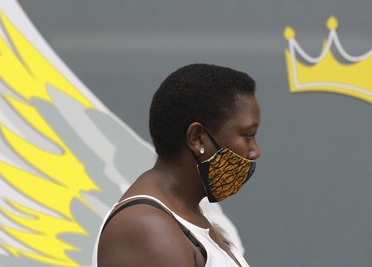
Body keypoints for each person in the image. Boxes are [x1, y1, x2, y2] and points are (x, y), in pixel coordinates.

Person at [96, 63, 261, 266]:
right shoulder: (148, 227)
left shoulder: (186, 215)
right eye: (248, 136)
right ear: (197, 138)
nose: (255, 151)